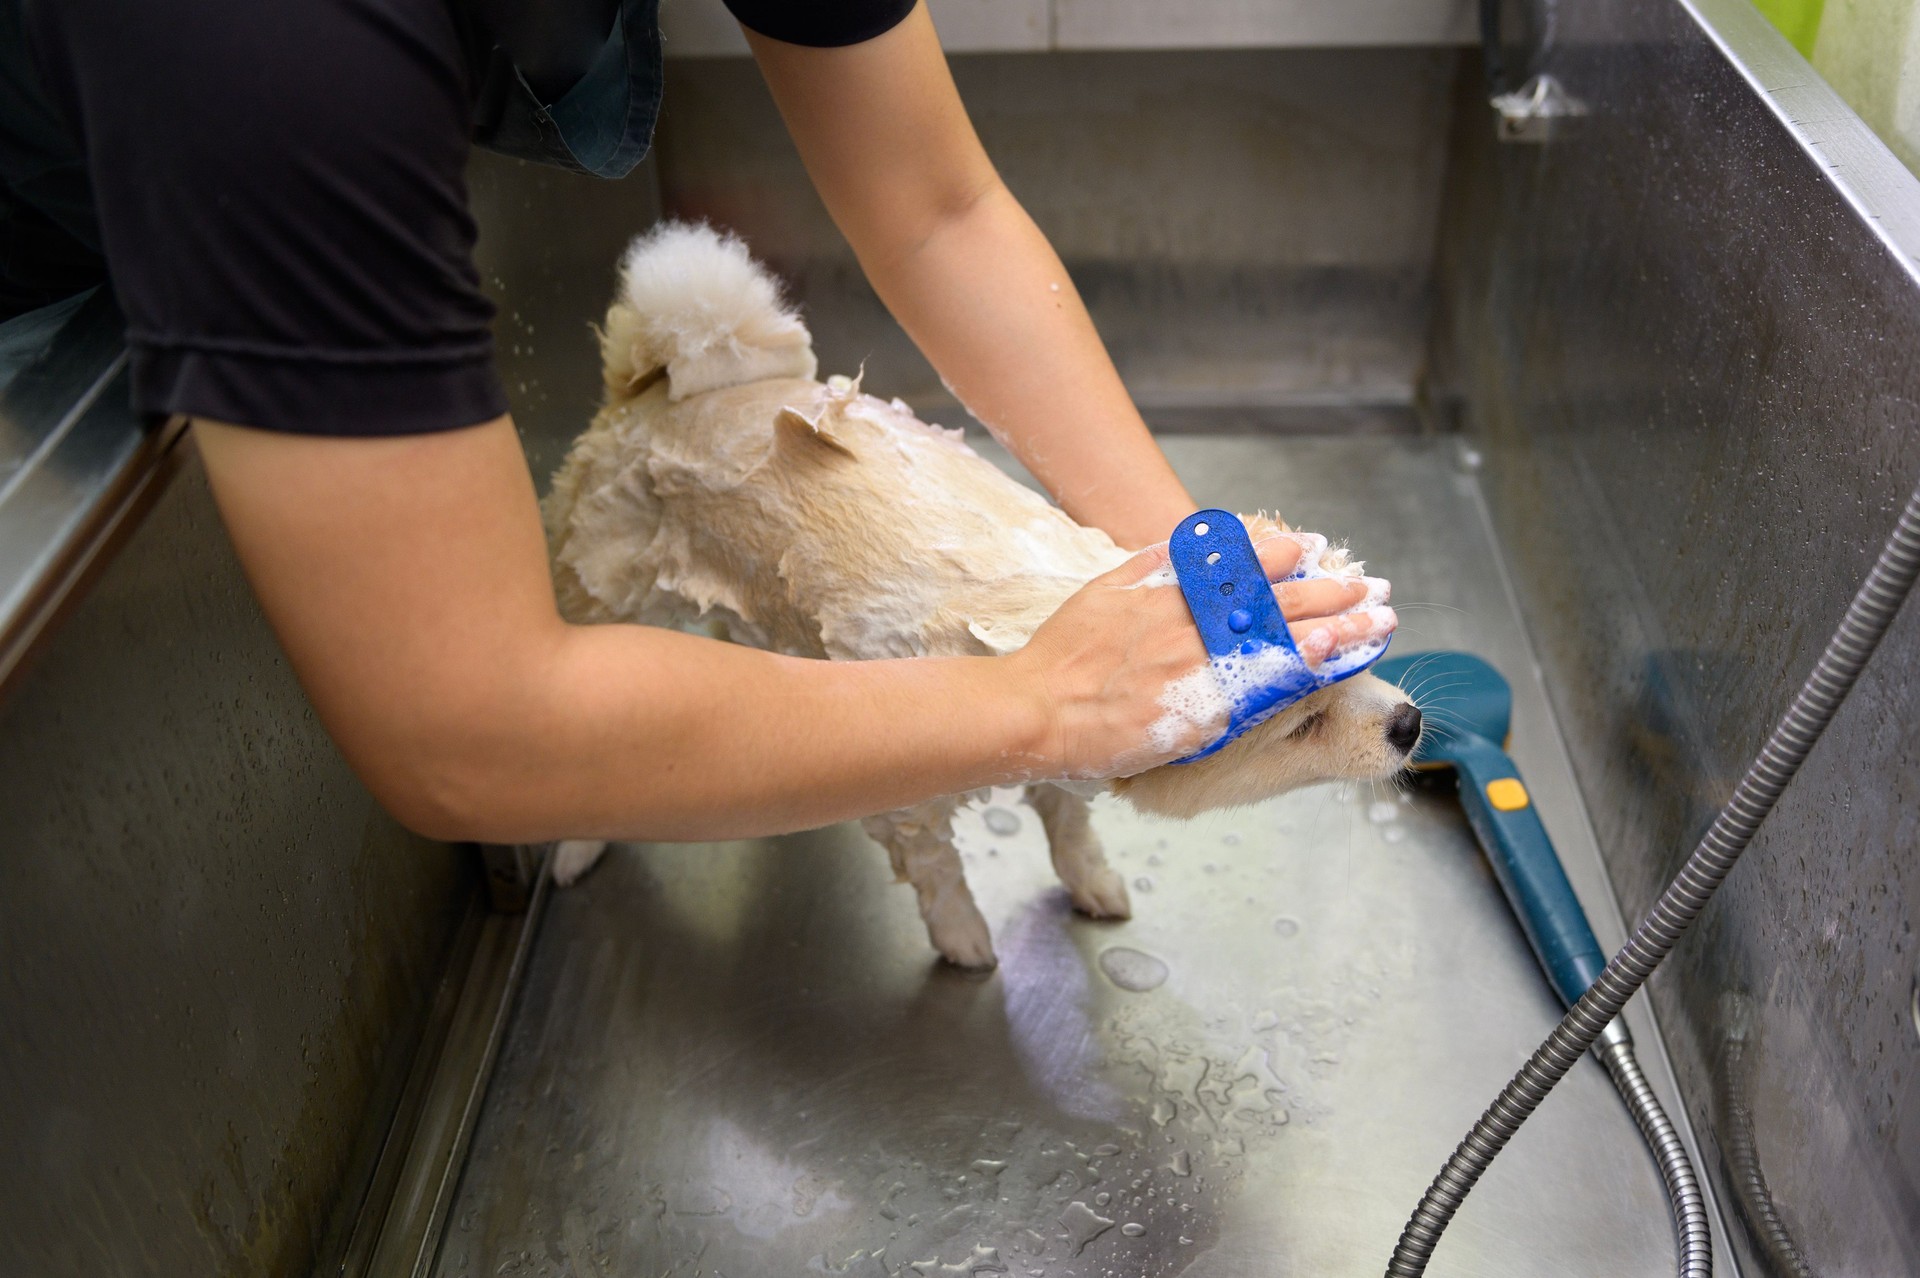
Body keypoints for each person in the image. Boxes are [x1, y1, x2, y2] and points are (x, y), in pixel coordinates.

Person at [1, 0, 1395, 844]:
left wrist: (1188, 561)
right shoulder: (261, 48)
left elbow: (937, 206)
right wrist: (1039, 699)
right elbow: (468, 729)